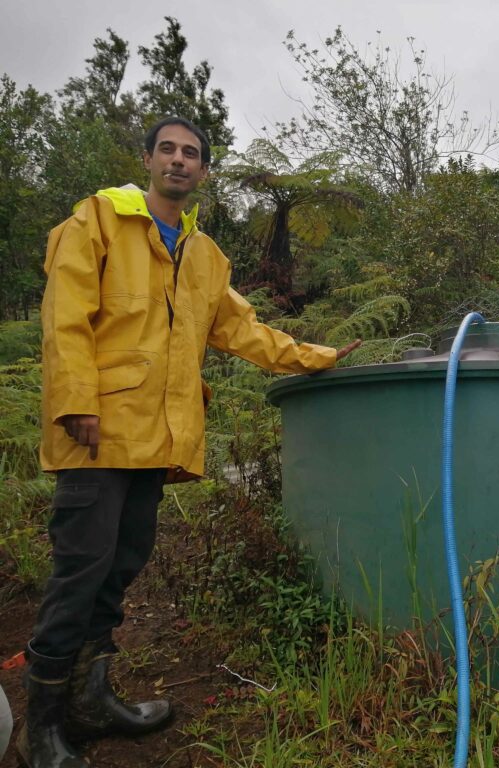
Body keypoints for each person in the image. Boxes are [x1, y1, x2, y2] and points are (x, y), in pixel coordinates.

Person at [18, 116, 361, 768]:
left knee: (117, 574)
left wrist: (315, 357)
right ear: (147, 159)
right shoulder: (96, 222)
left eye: (192, 154)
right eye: (168, 150)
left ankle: (92, 703)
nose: (179, 161)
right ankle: (41, 731)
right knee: (78, 576)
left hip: (158, 440)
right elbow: (64, 318)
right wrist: (75, 405)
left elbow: (245, 331)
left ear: (204, 171)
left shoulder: (203, 256)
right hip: (96, 435)